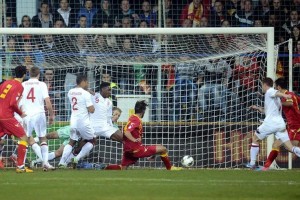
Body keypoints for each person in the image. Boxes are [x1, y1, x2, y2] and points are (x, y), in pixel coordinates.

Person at [105, 100, 182, 170]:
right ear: (143, 111)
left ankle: (105, 168)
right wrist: (134, 140)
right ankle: (170, 168)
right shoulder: (136, 120)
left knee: (122, 168)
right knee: (163, 149)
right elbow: (127, 132)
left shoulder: (132, 117)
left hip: (128, 149)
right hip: (135, 149)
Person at [247, 77, 300, 169]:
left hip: (271, 123)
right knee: (290, 147)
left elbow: (276, 93)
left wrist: (285, 96)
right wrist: (257, 108)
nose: (262, 88)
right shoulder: (275, 99)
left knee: (255, 138)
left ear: (265, 85)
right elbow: (268, 110)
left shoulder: (270, 91)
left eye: (262, 86)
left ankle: (252, 164)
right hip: (281, 125)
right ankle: (265, 167)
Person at [20, 66, 55, 171]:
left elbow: (19, 102)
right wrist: (51, 115)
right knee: (42, 138)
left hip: (27, 115)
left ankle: (21, 165)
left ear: (29, 74)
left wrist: (21, 114)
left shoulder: (23, 84)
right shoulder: (42, 84)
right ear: (39, 74)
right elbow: (48, 102)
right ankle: (45, 163)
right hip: (39, 113)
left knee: (25, 138)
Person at [0, 65, 33, 173]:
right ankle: (20, 166)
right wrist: (21, 113)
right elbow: (13, 103)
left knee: (1, 139)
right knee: (23, 138)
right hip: (7, 116)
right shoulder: (19, 86)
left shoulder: (5, 83)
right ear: (24, 74)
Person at [58, 74, 95, 168]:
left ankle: (62, 163)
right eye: (87, 82)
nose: (88, 84)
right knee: (92, 140)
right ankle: (76, 158)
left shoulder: (70, 92)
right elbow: (91, 110)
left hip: (73, 121)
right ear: (83, 81)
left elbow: (78, 96)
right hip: (83, 122)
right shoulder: (86, 94)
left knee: (72, 141)